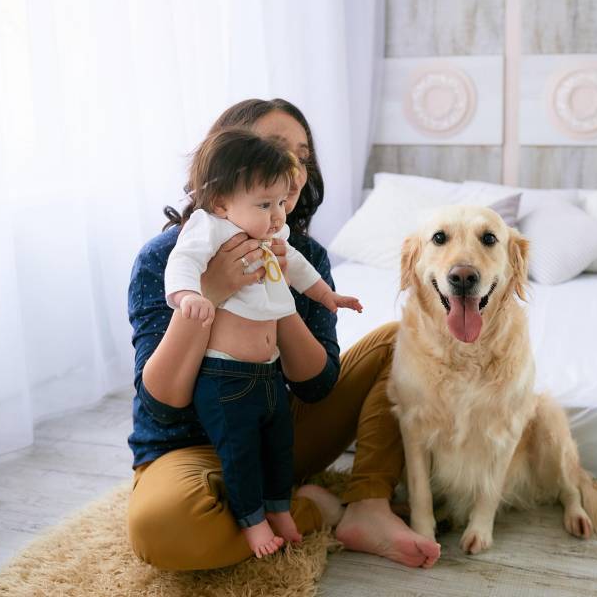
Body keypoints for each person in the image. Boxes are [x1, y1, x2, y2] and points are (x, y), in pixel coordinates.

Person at [126, 98, 441, 570]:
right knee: (163, 530)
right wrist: (212, 292)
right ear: (224, 171)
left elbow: (315, 386)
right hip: (191, 446)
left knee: (402, 335)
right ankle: (316, 509)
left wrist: (275, 294)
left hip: (278, 425)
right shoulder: (166, 257)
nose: (293, 169)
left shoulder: (301, 254)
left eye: (303, 155)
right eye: (276, 149)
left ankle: (369, 505)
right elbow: (163, 405)